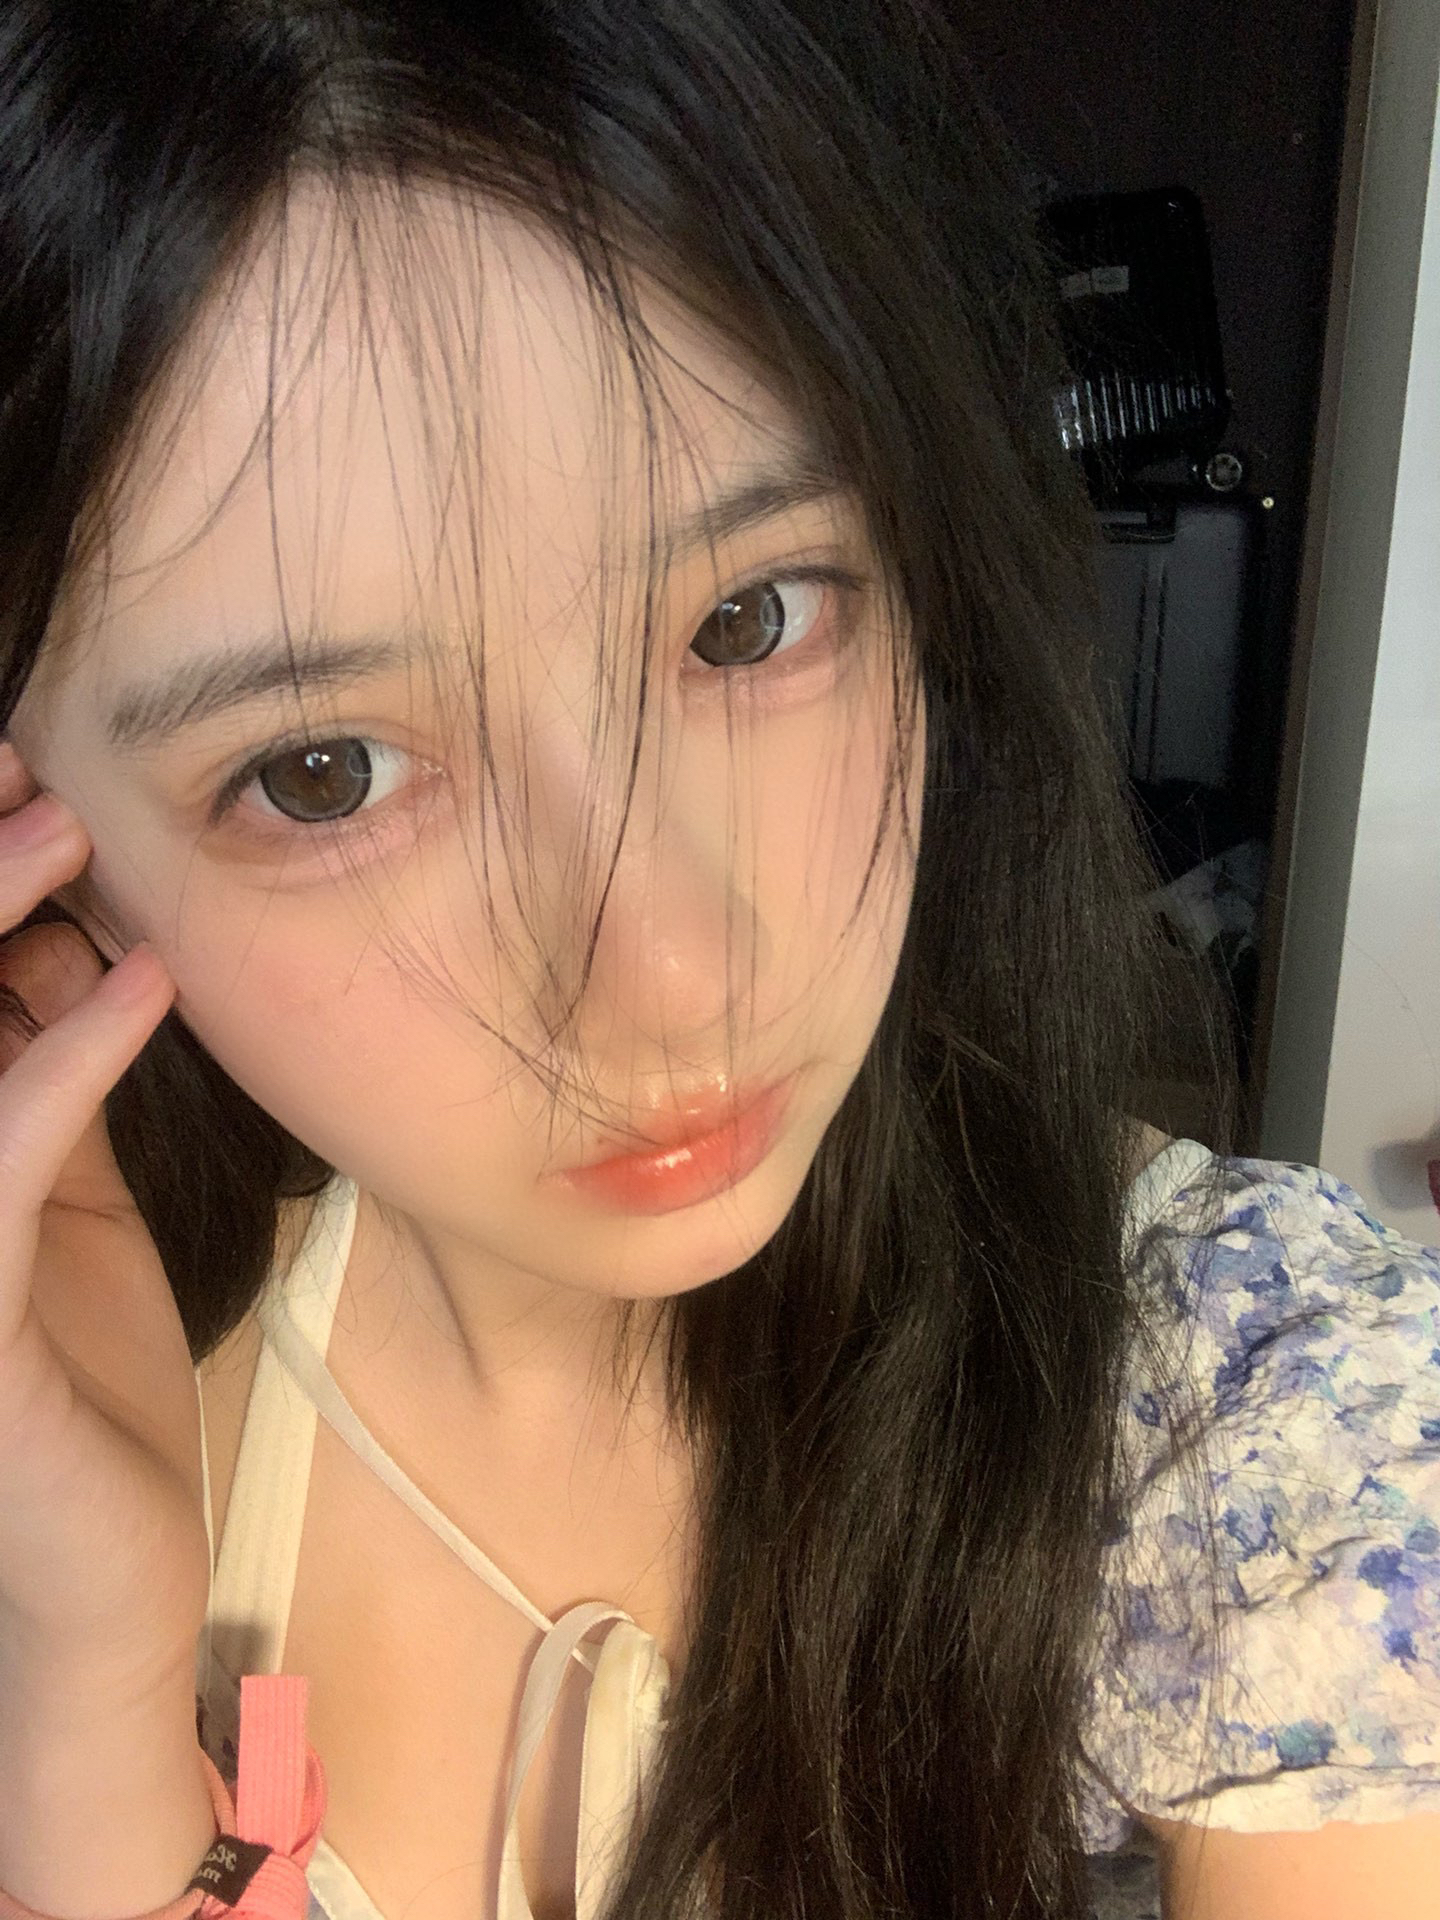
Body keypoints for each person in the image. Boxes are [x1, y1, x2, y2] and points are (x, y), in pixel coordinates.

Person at [0, 4, 1436, 1919]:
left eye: (751, 621)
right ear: (42, 825)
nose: (671, 978)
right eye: (324, 771)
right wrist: (89, 1691)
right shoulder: (82, 1420)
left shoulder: (1256, 1434)